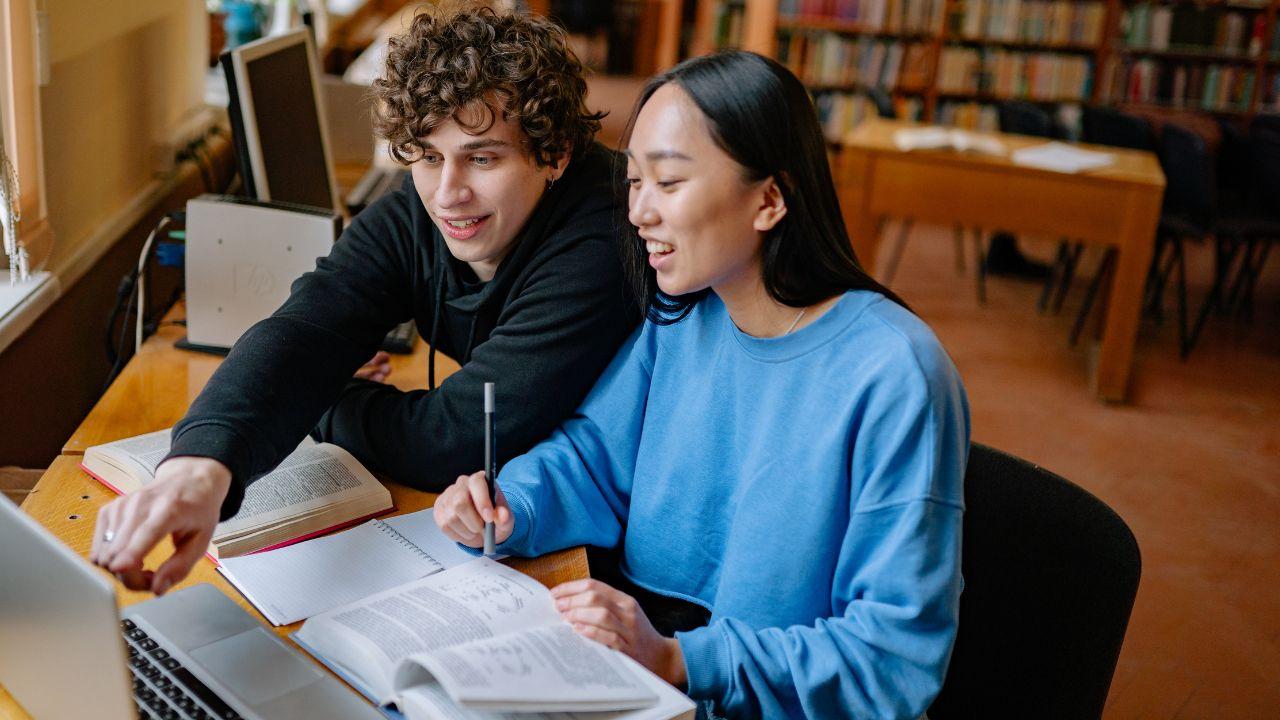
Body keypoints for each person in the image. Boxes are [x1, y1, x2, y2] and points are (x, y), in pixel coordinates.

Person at [434, 51, 970, 719]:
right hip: (659, 684)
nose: (638, 213)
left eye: (668, 182)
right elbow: (597, 457)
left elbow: (890, 660)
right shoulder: (684, 312)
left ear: (769, 199)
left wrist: (682, 660)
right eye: (633, 182)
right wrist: (514, 503)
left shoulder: (896, 375)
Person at [90, 6, 636, 596]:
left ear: (553, 154)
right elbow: (309, 326)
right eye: (428, 155)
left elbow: (451, 440)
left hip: (615, 563)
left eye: (482, 157)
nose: (448, 193)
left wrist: (331, 396)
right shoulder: (422, 206)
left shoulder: (604, 233)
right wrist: (198, 469)